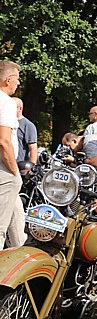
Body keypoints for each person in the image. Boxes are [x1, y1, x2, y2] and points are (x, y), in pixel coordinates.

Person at [0, 60, 27, 248]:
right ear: (8, 80)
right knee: (1, 226)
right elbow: (3, 141)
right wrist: (15, 171)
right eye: (17, 79)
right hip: (5, 170)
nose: (18, 83)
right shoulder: (6, 103)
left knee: (17, 222)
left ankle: (23, 261)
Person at [13, 97, 38, 164]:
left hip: (20, 166)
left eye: (12, 107)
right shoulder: (5, 123)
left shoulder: (28, 125)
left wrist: (31, 168)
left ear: (20, 108)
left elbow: (33, 149)